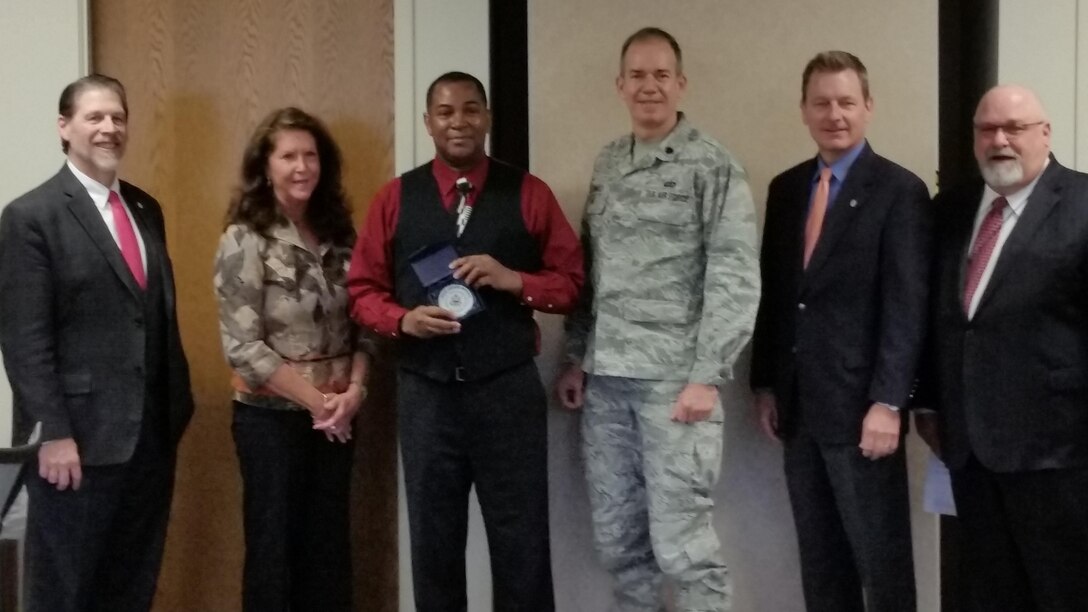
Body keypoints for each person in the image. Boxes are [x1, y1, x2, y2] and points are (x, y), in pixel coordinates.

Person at [347, 71, 583, 611]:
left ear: (488, 119)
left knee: (522, 546)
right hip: (426, 396)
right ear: (428, 122)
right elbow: (361, 290)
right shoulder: (394, 198)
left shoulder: (529, 193)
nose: (460, 122)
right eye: (447, 112)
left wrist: (515, 280)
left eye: (472, 109)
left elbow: (571, 284)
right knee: (433, 547)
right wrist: (403, 321)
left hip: (507, 394)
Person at [556, 28, 760, 611]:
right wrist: (576, 356)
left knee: (683, 549)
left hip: (675, 387)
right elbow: (592, 270)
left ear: (680, 84)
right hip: (607, 385)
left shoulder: (712, 165)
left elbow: (735, 274)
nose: (650, 87)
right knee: (619, 543)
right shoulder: (610, 162)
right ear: (620, 85)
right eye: (638, 76)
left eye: (661, 75)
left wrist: (708, 373)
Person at [0, 74, 194, 612]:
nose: (109, 128)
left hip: (149, 439)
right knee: (66, 592)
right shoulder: (30, 217)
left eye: (118, 117)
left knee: (131, 586)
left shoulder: (144, 208)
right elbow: (24, 339)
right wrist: (54, 434)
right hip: (76, 446)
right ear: (64, 128)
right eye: (94, 117)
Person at [749, 51, 931, 612]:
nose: (835, 114)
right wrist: (766, 384)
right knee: (821, 563)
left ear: (868, 107)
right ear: (803, 110)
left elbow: (908, 306)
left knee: (881, 565)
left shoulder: (900, 191)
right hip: (800, 407)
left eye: (847, 102)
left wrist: (889, 402)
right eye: (822, 103)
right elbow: (778, 293)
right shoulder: (786, 190)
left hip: (864, 412)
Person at [916, 85, 1088, 611]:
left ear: (1045, 133)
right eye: (987, 130)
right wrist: (926, 402)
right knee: (990, 594)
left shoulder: (1082, 204)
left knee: (1064, 592)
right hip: (969, 450)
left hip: (1057, 456)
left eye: (1014, 128)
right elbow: (936, 317)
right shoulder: (951, 210)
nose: (1000, 141)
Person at [214, 107, 372, 612]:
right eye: (288, 156)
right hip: (270, 420)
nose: (302, 166)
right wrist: (318, 404)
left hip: (338, 420)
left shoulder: (341, 234)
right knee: (273, 554)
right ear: (266, 166)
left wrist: (355, 393)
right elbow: (242, 346)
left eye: (311, 155)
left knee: (328, 553)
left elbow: (365, 324)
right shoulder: (245, 237)